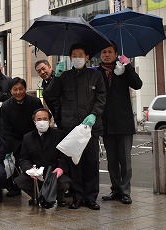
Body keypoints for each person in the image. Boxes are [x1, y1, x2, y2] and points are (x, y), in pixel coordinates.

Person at [54, 43, 106, 210]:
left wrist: (94, 114)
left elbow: (101, 97)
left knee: (91, 163)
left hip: (90, 128)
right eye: (74, 55)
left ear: (87, 57)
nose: (77, 58)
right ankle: (77, 197)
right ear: (70, 58)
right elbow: (51, 96)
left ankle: (91, 197)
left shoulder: (95, 76)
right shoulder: (64, 76)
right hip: (70, 127)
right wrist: (56, 77)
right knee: (75, 164)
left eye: (80, 55)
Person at [98, 43, 142, 205]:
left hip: (123, 123)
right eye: (103, 51)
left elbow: (138, 85)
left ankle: (125, 191)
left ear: (116, 53)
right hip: (107, 124)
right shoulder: (97, 72)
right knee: (112, 160)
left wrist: (128, 66)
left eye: (110, 51)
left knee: (125, 161)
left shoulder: (123, 69)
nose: (106, 54)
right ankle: (115, 190)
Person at [15, 108, 70, 207]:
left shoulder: (58, 135)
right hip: (36, 172)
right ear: (34, 121)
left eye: (45, 119)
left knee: (64, 183)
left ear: (49, 121)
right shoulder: (27, 137)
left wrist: (60, 168)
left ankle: (58, 197)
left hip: (53, 173)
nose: (42, 122)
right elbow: (23, 158)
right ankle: (37, 196)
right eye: (39, 119)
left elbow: (64, 156)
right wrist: (29, 169)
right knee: (20, 181)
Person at [0, 77, 43, 197]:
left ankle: (38, 189)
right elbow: (5, 128)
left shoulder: (35, 102)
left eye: (21, 89)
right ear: (10, 91)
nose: (18, 92)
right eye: (15, 89)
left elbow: (39, 121)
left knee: (35, 164)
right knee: (16, 164)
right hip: (15, 140)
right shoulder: (6, 106)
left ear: (25, 89)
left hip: (33, 138)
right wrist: (9, 147)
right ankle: (15, 187)